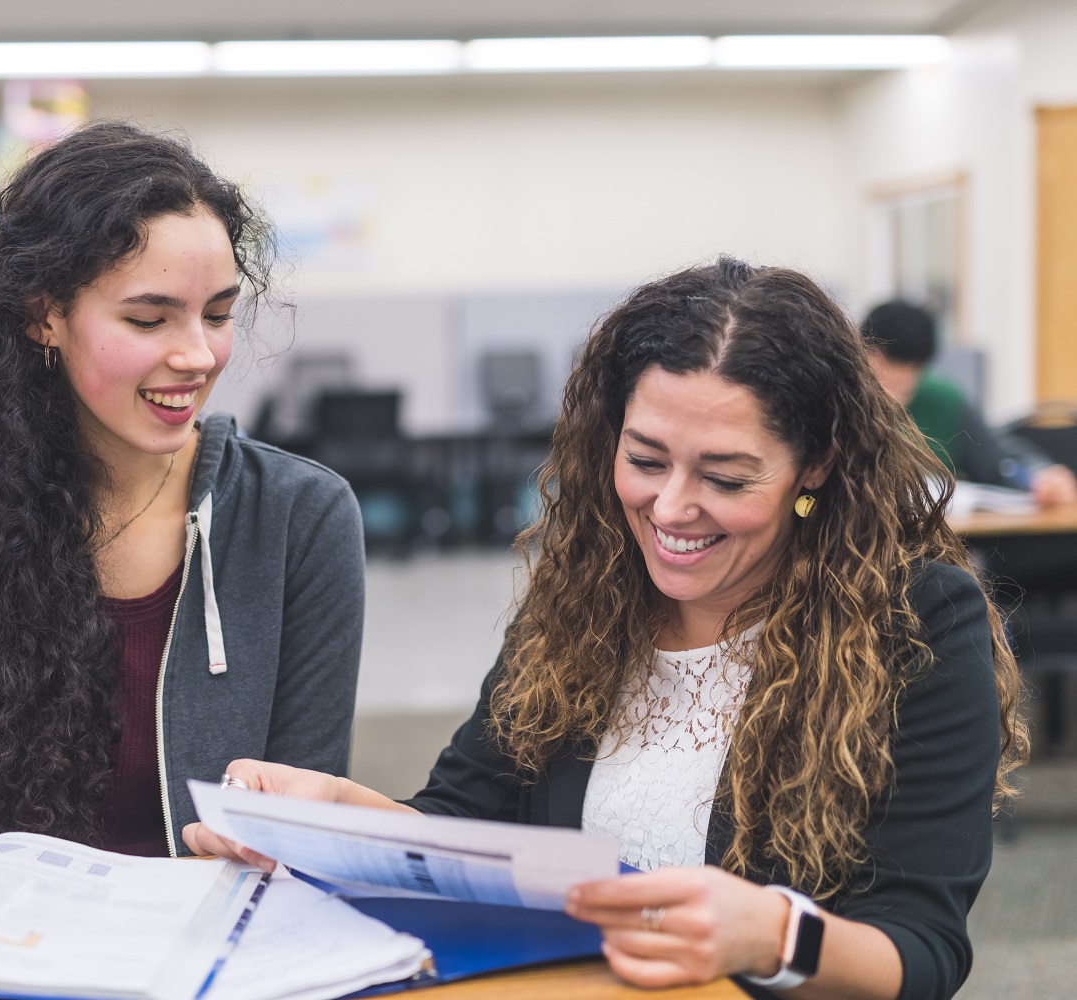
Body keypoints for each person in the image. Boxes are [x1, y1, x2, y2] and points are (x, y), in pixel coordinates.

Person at [188, 259, 1026, 1000]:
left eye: (726, 477)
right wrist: (336, 815)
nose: (670, 509)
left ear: (817, 466)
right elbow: (465, 826)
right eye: (646, 460)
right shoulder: (589, 600)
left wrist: (775, 935)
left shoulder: (915, 622)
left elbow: (919, 953)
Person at [0, 121, 365, 908]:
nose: (198, 355)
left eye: (218, 313)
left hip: (204, 947)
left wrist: (278, 833)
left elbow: (309, 802)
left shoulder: (301, 517)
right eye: (149, 318)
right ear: (44, 316)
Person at [862, 299, 1077, 507]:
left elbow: (998, 459)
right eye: (880, 375)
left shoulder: (944, 400)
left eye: (903, 385)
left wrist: (1041, 476)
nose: (891, 393)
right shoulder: (840, 397)